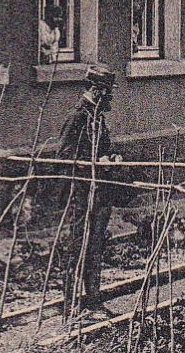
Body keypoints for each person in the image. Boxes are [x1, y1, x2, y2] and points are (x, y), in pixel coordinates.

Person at [39, 64, 127, 316]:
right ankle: (70, 304)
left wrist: (113, 156)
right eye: (108, 93)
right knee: (79, 244)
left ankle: (94, 299)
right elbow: (65, 157)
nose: (110, 98)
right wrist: (93, 163)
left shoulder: (97, 118)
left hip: (100, 190)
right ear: (97, 91)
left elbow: (105, 148)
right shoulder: (77, 117)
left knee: (96, 244)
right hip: (81, 192)